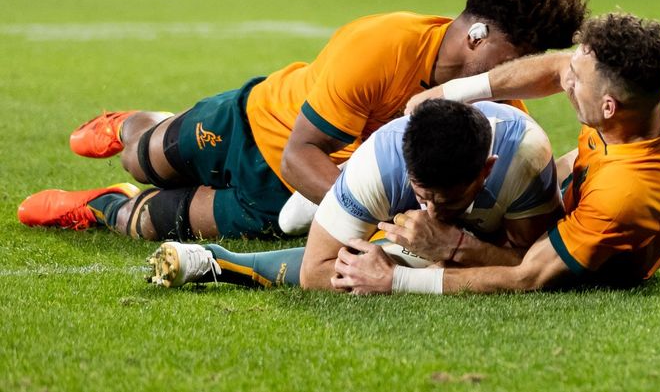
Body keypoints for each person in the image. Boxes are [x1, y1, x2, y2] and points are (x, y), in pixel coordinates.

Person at [17, 0, 588, 244]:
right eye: (516, 57)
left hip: (287, 196)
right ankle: (126, 126)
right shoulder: (382, 46)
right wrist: (373, 217)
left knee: (149, 221)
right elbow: (300, 152)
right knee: (145, 159)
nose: (515, 75)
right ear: (480, 34)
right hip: (257, 123)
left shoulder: (491, 114)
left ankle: (96, 206)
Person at [332, 13, 660, 294]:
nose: (565, 79)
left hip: (601, 262)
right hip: (593, 183)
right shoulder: (648, 94)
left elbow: (527, 276)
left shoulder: (622, 196)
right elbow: (557, 68)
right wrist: (453, 93)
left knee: (495, 248)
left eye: (576, 80)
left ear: (608, 107)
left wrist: (399, 280)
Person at [146, 99, 563, 291]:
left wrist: (452, 246)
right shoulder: (382, 162)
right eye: (424, 194)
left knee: (405, 254)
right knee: (293, 222)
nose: (432, 209)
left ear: (486, 169)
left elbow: (530, 268)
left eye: (448, 199)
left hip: (483, 226)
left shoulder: (523, 159)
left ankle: (222, 262)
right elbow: (315, 272)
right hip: (373, 187)